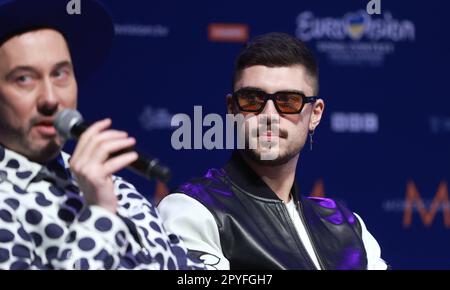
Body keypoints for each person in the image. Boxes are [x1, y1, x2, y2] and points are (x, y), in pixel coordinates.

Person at [0, 0, 203, 270]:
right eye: (24, 78)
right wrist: (100, 214)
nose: (50, 98)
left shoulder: (117, 188)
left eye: (60, 74)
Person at [158, 32, 388, 270]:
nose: (269, 115)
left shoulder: (349, 228)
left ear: (315, 114)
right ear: (231, 109)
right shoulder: (193, 210)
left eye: (288, 101)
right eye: (252, 99)